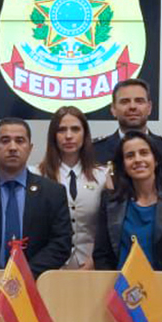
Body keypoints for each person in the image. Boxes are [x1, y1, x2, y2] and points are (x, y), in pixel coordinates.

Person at [0, 118, 72, 276]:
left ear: (30, 148)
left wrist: (23, 275)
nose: (13, 147)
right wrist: (0, 278)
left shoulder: (53, 193)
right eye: (5, 141)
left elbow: (61, 244)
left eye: (20, 141)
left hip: (36, 282)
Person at [92, 131, 162, 271]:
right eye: (130, 156)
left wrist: (159, 284)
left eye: (144, 153)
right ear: (123, 165)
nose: (137, 159)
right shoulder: (110, 200)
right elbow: (101, 255)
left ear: (156, 160)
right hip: (120, 283)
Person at [37, 106, 105, 269]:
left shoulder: (103, 176)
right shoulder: (37, 175)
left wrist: (94, 260)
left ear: (85, 134)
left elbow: (108, 229)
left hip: (91, 266)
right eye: (61, 130)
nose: (68, 136)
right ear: (53, 136)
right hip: (49, 268)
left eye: (75, 129)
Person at [92, 78, 162, 187]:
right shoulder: (93, 152)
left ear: (149, 108)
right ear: (113, 109)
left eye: (139, 101)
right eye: (125, 101)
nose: (132, 107)